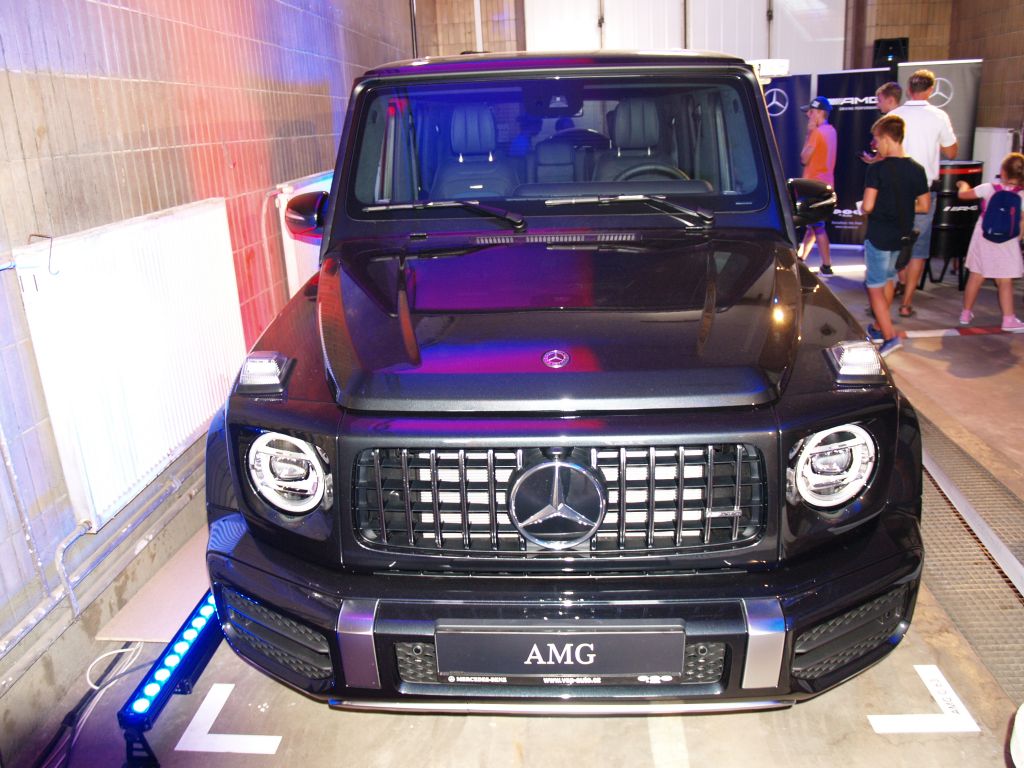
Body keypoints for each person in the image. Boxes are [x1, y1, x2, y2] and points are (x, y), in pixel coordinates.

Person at [889, 69, 958, 317]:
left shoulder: (895, 115)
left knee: (892, 242)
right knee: (918, 248)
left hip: (896, 188)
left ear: (909, 90)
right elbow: (951, 152)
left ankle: (890, 294)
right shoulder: (939, 116)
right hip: (924, 191)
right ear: (930, 90)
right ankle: (906, 304)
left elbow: (882, 151)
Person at [861, 115, 930, 358]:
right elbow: (924, 205)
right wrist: (903, 207)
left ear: (887, 138)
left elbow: (867, 206)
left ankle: (890, 337)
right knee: (888, 280)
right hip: (901, 236)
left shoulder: (876, 169)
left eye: (877, 140)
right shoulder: (917, 169)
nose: (875, 145)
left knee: (875, 287)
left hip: (879, 235)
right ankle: (879, 327)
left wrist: (870, 207)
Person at [956, 152, 1024, 332]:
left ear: (1003, 172)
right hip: (1008, 240)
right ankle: (1008, 319)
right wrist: (1018, 238)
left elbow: (964, 196)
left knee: (976, 275)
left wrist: (963, 185)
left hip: (983, 236)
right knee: (1005, 281)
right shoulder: (1022, 195)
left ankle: (966, 314)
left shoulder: (988, 188)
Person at [798, 97, 837, 274]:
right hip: (826, 185)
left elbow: (804, 158)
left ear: (820, 113)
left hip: (813, 186)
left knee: (818, 227)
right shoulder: (831, 131)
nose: (808, 115)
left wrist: (809, 133)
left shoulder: (817, 133)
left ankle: (827, 265)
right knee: (813, 226)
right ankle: (801, 258)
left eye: (811, 112)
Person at [860, 82, 903, 164]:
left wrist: (872, 160)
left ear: (890, 100)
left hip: (892, 165)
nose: (877, 105)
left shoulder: (888, 121)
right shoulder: (906, 116)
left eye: (879, 100)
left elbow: (884, 148)